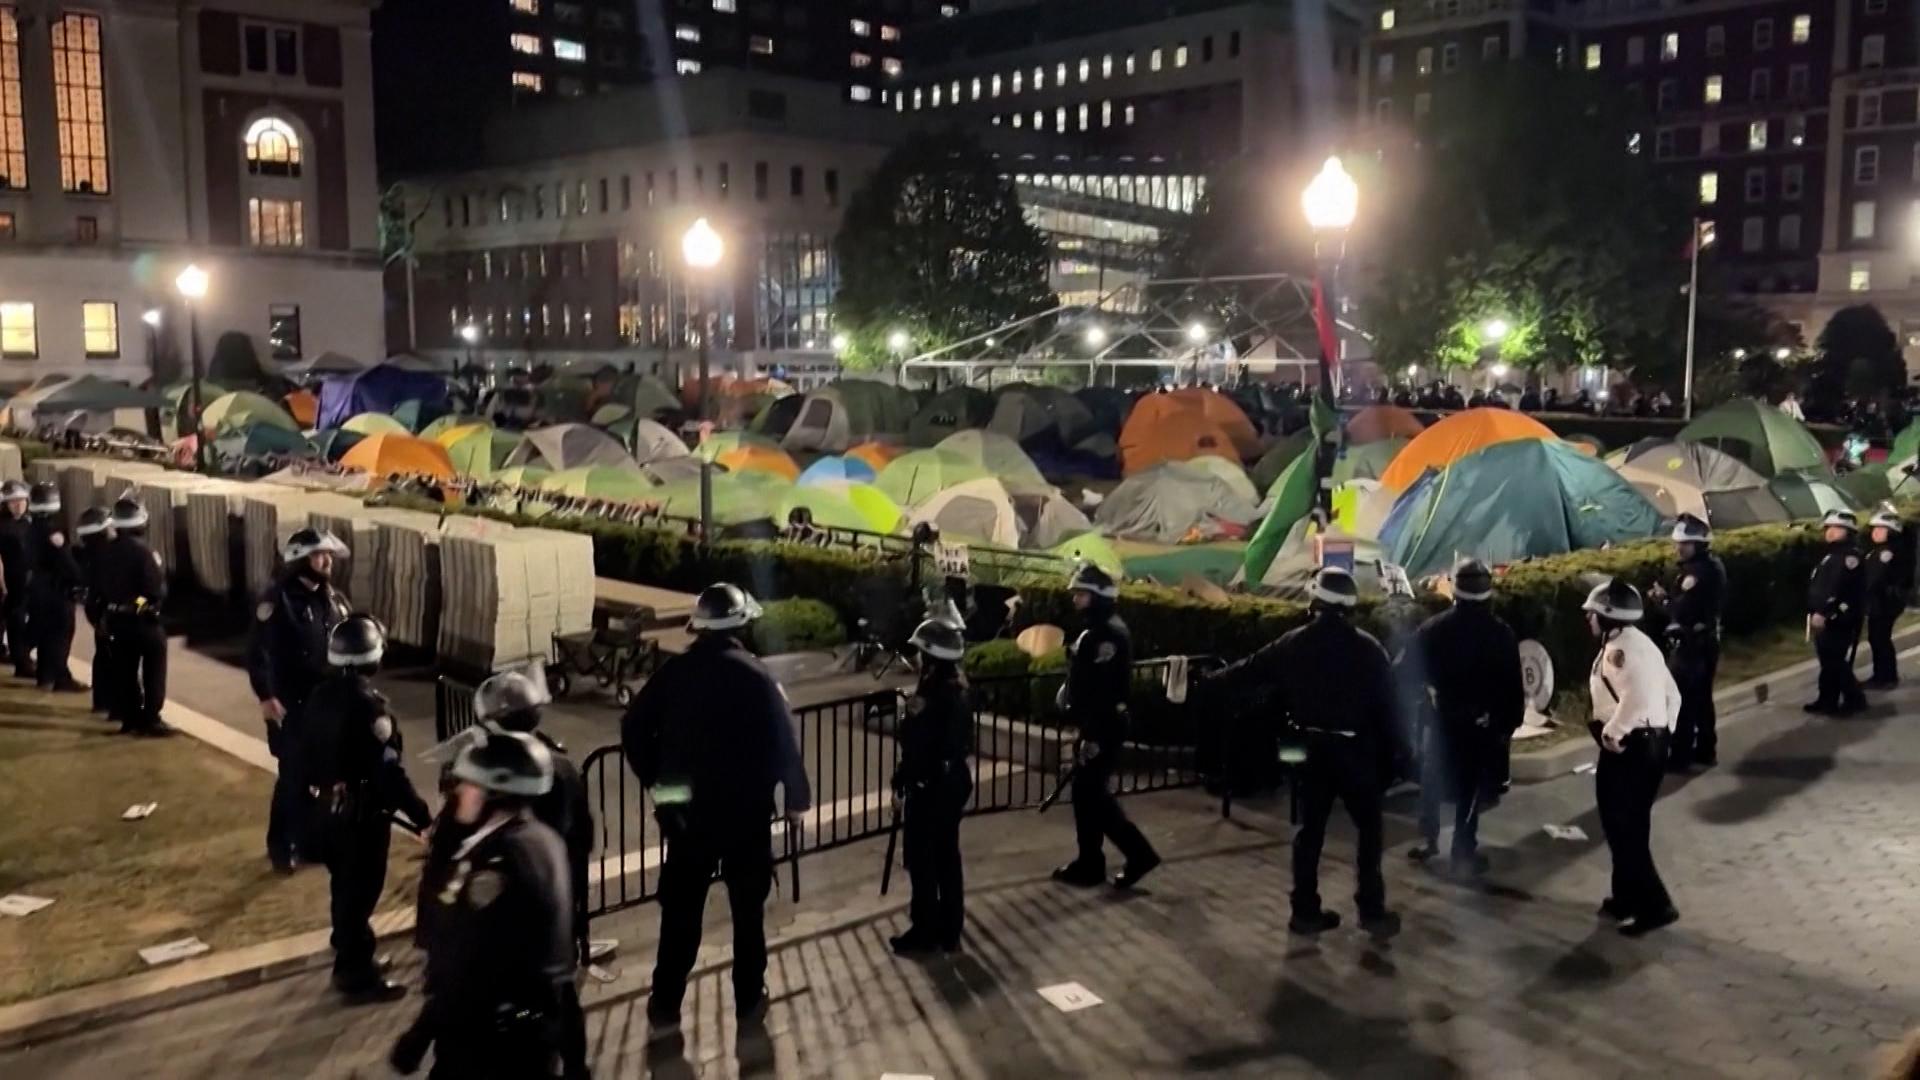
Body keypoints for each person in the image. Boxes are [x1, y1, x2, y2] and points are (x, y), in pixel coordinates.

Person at [621, 582, 811, 1030]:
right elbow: (785, 743)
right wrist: (796, 799)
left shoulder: (674, 674)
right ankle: (748, 999)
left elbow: (633, 729)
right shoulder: (758, 677)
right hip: (746, 818)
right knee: (748, 915)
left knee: (681, 915)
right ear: (743, 624)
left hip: (685, 818)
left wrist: (659, 786)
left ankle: (665, 1002)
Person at [1204, 567, 1400, 934]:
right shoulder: (1369, 649)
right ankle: (1371, 910)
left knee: (1309, 831)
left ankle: (1305, 910)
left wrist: (1204, 682)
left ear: (1315, 601)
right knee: (1370, 830)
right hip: (1355, 751)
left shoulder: (1294, 642)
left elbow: (1247, 672)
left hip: (1309, 750)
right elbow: (1389, 709)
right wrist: (1393, 760)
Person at [390, 730, 586, 1079]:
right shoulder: (542, 839)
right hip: (530, 1034)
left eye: (468, 784)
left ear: (494, 793)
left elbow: (468, 963)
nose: (459, 793)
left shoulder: (496, 865)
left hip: (487, 1044)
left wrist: (421, 1034)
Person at [300, 614, 431, 1002]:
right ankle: (356, 977)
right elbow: (387, 773)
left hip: (327, 811)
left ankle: (352, 957)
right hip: (360, 819)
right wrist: (421, 815)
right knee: (359, 894)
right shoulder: (369, 708)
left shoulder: (319, 697)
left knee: (343, 890)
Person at [1406, 559, 1523, 877]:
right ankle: (1462, 851)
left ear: (1454, 592)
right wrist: (1506, 725)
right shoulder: (1501, 634)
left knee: (1432, 781)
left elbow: (1405, 670)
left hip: (1442, 721)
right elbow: (1512, 686)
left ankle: (1428, 841)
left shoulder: (1434, 629)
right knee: (1471, 791)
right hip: (1481, 726)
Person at [1050, 563, 1160, 891]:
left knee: (1093, 798)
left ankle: (1136, 854)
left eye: (1081, 594)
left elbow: (1102, 692)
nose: (1075, 600)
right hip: (1099, 724)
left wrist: (1092, 736)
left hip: (1102, 726)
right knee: (1087, 798)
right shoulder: (1101, 630)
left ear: (1097, 597)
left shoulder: (1105, 636)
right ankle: (1091, 862)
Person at [249, 528, 353, 872]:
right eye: (318, 555)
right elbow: (258, 652)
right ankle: (282, 846)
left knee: (322, 776)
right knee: (293, 777)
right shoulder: (279, 601)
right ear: (299, 560)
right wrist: (266, 697)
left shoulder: (332, 598)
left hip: (327, 705)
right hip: (292, 705)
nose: (326, 562)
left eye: (328, 555)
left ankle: (310, 842)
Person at [472, 670, 593, 963]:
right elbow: (580, 833)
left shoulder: (477, 768)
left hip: (498, 898)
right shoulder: (561, 766)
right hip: (551, 887)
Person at [1582, 579, 1681, 936]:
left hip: (1628, 750)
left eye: (1592, 615)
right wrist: (1662, 730)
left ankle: (1656, 906)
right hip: (1647, 747)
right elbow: (1674, 695)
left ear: (1608, 617)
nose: (1588, 621)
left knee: (1625, 830)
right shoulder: (1641, 644)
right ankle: (1624, 896)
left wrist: (1614, 733)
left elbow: (1636, 699)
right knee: (1627, 825)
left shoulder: (1619, 652)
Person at [889, 618, 973, 956]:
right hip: (953, 782)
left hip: (930, 787)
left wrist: (900, 782)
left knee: (923, 862)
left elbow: (915, 745)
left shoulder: (929, 695)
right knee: (948, 859)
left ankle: (924, 931)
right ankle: (950, 928)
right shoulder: (961, 687)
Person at [1656, 514, 1726, 770]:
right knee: (1702, 699)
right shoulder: (1711, 565)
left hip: (1691, 646)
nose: (1679, 548)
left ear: (1698, 545)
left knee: (1682, 701)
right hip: (1705, 642)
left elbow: (1682, 610)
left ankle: (1681, 755)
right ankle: (1706, 750)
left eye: (1684, 545)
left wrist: (1662, 601)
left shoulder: (1696, 573)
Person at [97, 498, 172, 735]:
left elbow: (100, 588)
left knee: (125, 671)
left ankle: (130, 718)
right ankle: (151, 718)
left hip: (116, 620)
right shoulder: (145, 552)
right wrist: (139, 605)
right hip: (142, 622)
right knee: (154, 671)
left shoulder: (105, 551)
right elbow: (153, 591)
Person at [1806, 509, 1867, 716]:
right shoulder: (1832, 554)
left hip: (1838, 617)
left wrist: (1823, 612)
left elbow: (1837, 587)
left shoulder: (1848, 556)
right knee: (1829, 661)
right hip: (1827, 615)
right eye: (1828, 528)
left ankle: (1854, 698)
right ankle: (1827, 700)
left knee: (1835, 661)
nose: (1830, 532)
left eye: (1837, 528)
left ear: (1848, 532)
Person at [26, 482, 83, 693]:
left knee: (44, 634)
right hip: (56, 590)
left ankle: (45, 675)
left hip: (37, 588)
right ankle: (61, 677)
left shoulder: (30, 528)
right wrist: (80, 579)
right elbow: (65, 561)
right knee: (61, 634)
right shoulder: (53, 532)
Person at [1861, 508, 1912, 690]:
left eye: (1880, 529)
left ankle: (1885, 676)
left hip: (1884, 603)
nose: (1875, 532)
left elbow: (1874, 579)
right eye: (1874, 528)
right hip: (1881, 602)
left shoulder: (1887, 552)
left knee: (1880, 638)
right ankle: (1883, 674)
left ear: (1891, 532)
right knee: (1878, 638)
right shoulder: (1879, 550)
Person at [74, 505, 115, 718]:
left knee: (103, 654)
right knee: (114, 656)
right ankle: (114, 703)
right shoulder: (105, 556)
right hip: (105, 609)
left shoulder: (88, 553)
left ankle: (102, 700)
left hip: (95, 608)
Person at [0, 481, 29, 675]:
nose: (18, 505)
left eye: (21, 500)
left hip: (25, 581)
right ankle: (22, 663)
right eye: (13, 502)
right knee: (16, 621)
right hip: (10, 582)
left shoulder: (27, 523)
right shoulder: (3, 526)